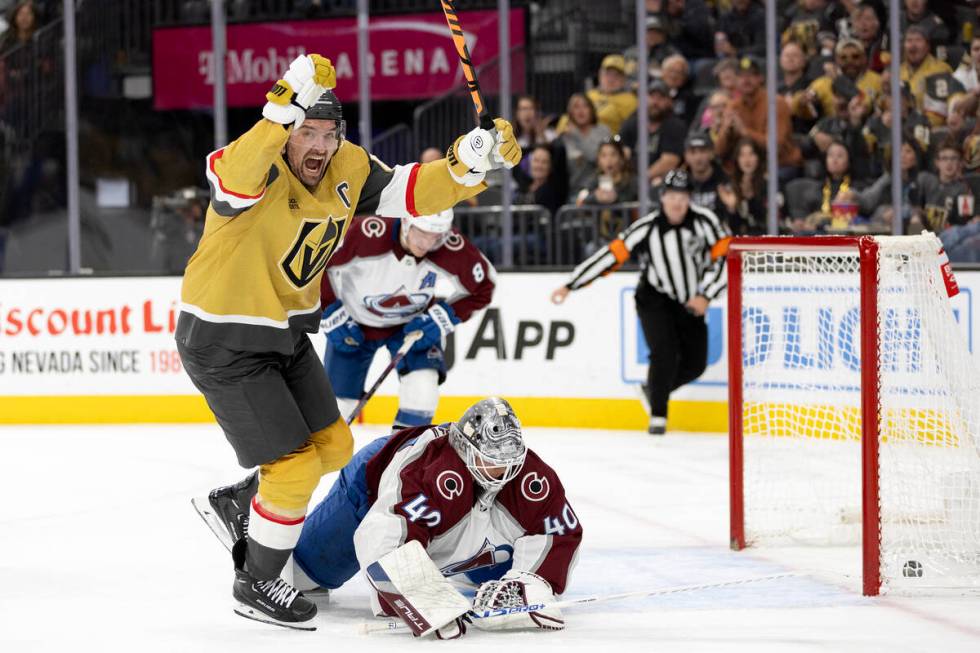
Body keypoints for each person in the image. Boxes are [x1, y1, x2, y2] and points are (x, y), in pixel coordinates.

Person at [178, 53, 520, 630]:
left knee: (334, 450)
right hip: (225, 338)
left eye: (328, 133)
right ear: (286, 132)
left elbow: (413, 190)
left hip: (285, 336)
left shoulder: (347, 167)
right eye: (305, 132)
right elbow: (232, 179)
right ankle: (256, 580)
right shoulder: (254, 164)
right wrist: (279, 108)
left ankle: (241, 501)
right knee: (292, 470)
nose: (317, 145)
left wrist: (468, 162)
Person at [289, 397, 582, 637]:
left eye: (508, 462)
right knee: (303, 579)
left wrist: (532, 583)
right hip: (371, 486)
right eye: (491, 462)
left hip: (454, 515)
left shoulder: (529, 475)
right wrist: (425, 601)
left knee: (499, 568)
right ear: (467, 448)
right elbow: (383, 533)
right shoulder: (434, 472)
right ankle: (262, 533)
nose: (502, 473)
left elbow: (559, 531)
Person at [551, 169, 729, 435]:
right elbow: (611, 255)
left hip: (692, 300)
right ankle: (658, 416)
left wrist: (706, 294)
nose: (677, 202)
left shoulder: (706, 222)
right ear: (663, 198)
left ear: (690, 198)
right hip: (654, 298)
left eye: (683, 196)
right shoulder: (647, 227)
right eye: (672, 196)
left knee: (695, 364)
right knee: (664, 352)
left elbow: (726, 257)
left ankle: (653, 391)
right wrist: (571, 284)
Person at [320, 209, 495, 429]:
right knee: (336, 408)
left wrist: (442, 318)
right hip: (354, 325)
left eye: (436, 236)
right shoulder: (366, 232)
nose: (427, 243)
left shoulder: (449, 246)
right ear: (405, 221)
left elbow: (485, 285)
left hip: (412, 328)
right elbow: (318, 260)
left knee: (423, 393)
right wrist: (329, 309)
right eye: (422, 233)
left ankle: (403, 458)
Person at [714, 55, 802, 182]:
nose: (746, 80)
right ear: (736, 80)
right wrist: (726, 132)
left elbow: (776, 146)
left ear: (761, 78)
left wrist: (745, 131)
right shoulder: (733, 107)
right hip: (749, 167)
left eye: (751, 75)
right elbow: (718, 152)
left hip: (781, 165)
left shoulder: (776, 103)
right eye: (741, 76)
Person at [619, 79, 686, 185]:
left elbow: (669, 162)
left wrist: (640, 180)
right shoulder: (632, 122)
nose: (655, 102)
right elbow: (622, 154)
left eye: (660, 98)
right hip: (631, 179)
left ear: (669, 102)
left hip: (661, 180)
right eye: (652, 97)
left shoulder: (675, 126)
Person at [558, 54, 637, 136]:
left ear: (624, 79)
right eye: (608, 74)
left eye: (617, 75)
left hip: (606, 143)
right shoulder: (589, 95)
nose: (611, 79)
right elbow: (569, 116)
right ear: (600, 75)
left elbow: (631, 130)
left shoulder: (631, 101)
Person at [558, 93, 612, 201]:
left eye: (585, 106)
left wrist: (576, 135)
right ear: (570, 112)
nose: (580, 111)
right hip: (574, 192)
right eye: (576, 107)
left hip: (601, 189)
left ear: (591, 109)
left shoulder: (603, 131)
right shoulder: (566, 137)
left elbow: (596, 157)